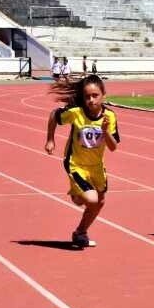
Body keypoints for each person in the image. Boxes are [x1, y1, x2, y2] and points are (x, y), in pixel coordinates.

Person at [44, 74, 120, 248]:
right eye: (87, 96)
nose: (91, 100)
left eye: (95, 96)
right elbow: (54, 115)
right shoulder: (76, 112)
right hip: (75, 163)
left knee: (99, 202)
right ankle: (77, 192)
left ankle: (80, 232)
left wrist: (106, 131)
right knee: (91, 200)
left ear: (103, 95)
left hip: (96, 166)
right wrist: (50, 139)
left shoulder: (110, 116)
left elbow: (113, 147)